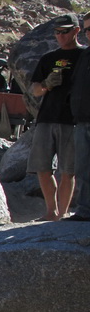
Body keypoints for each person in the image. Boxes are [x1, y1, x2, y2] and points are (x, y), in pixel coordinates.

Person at [28, 14, 82, 220]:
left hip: (72, 120)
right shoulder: (48, 58)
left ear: (76, 31)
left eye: (65, 32)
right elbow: (35, 90)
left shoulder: (84, 56)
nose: (60, 36)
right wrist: (47, 84)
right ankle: (51, 212)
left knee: (68, 170)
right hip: (46, 118)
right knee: (42, 167)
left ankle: (63, 212)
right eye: (57, 32)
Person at [65, 11, 90, 221]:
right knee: (82, 168)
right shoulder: (85, 55)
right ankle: (84, 210)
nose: (89, 33)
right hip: (81, 120)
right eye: (87, 29)